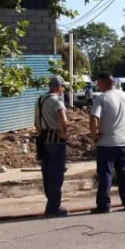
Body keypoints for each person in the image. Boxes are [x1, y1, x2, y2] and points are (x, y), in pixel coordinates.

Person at [90, 72, 125, 214]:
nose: (98, 86)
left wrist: (94, 136)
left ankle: (104, 205)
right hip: (124, 142)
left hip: (106, 143)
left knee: (105, 174)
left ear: (104, 83)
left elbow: (93, 118)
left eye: (98, 83)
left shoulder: (101, 98)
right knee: (124, 173)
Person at [35, 75, 69, 217]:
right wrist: (63, 135)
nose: (63, 89)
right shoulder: (57, 102)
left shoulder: (40, 100)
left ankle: (51, 202)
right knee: (56, 175)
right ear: (57, 87)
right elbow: (64, 122)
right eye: (62, 86)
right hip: (55, 141)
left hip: (42, 140)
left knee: (47, 174)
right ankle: (53, 208)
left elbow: (36, 123)